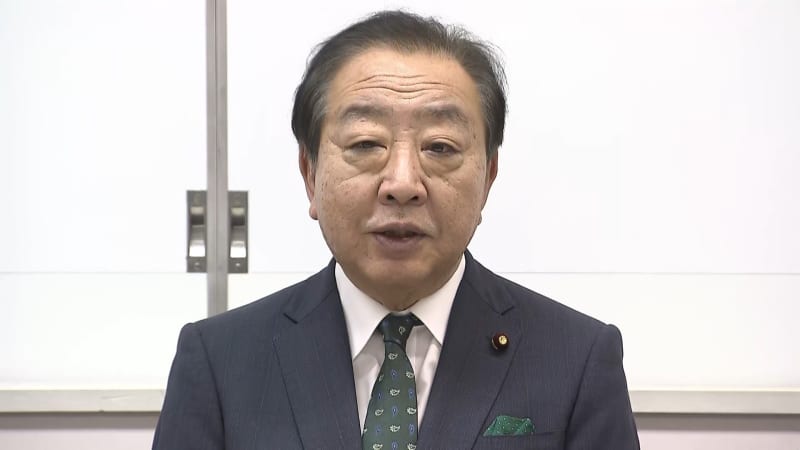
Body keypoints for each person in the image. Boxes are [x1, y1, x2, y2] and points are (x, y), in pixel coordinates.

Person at [153, 10, 639, 450]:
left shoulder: (576, 359)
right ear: (310, 174)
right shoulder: (219, 362)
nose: (403, 184)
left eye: (440, 147)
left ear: (488, 178)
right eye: (366, 144)